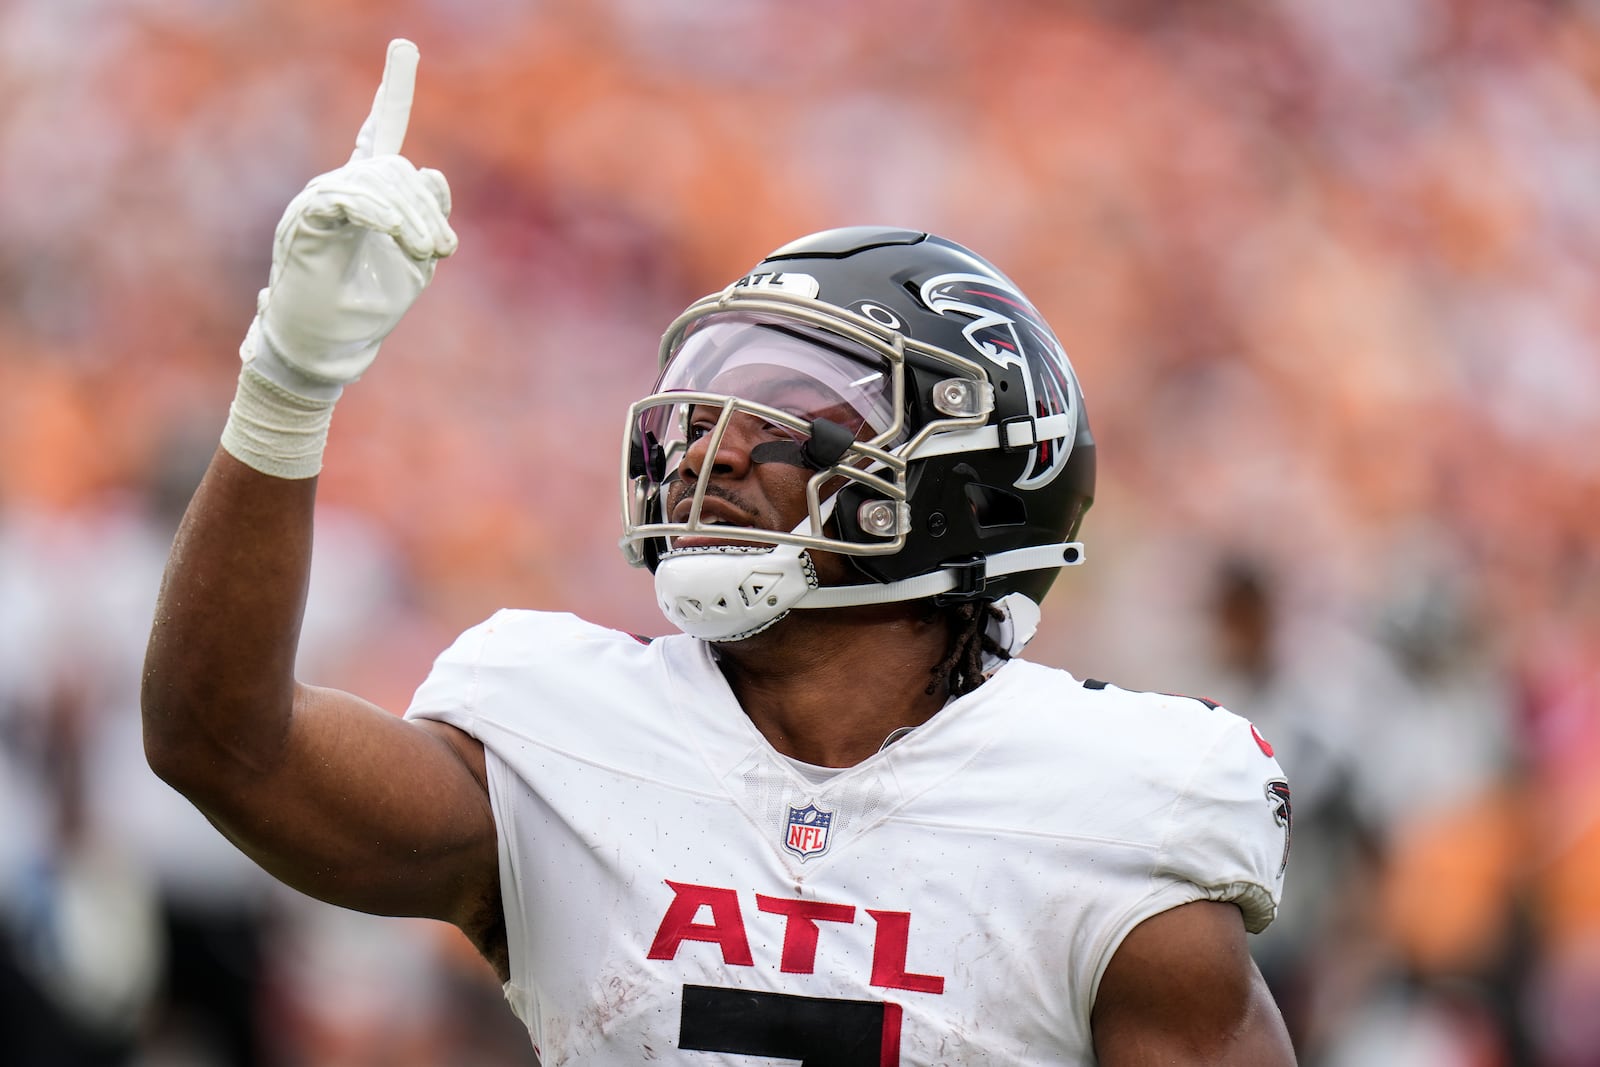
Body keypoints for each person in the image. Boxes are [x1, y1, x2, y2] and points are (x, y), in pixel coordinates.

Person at [142, 39, 1298, 1065]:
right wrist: (287, 384)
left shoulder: (1105, 811)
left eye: (785, 410)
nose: (712, 449)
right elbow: (220, 742)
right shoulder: (564, 736)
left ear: (963, 479)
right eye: (706, 404)